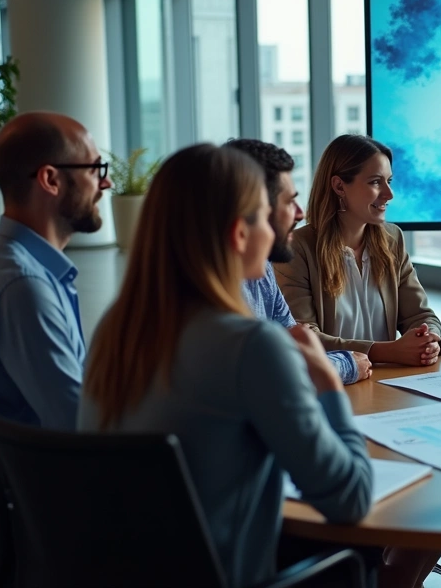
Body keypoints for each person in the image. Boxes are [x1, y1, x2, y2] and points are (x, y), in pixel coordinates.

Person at [78, 144, 373, 587]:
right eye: (263, 213)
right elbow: (350, 498)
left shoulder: (115, 328)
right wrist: (329, 384)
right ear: (239, 233)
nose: (285, 221)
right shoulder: (251, 346)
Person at [275, 134, 441, 366]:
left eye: (389, 181)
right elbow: (302, 337)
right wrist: (384, 352)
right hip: (333, 383)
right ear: (339, 186)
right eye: (376, 182)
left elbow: (420, 315)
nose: (389, 194)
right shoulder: (297, 247)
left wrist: (430, 339)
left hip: (388, 383)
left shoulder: (392, 239)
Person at [0, 112, 111, 430]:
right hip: (44, 478)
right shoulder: (24, 285)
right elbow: (76, 424)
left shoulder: (27, 268)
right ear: (50, 180)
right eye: (95, 168)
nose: (106, 182)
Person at [223, 138, 372, 384]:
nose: (300, 213)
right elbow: (274, 374)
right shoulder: (207, 298)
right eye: (288, 201)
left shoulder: (263, 268)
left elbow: (294, 346)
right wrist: (346, 364)